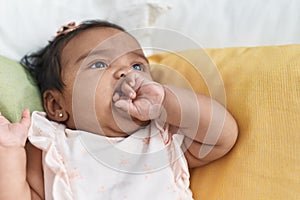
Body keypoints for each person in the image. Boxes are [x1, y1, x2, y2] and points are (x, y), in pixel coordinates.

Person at [0, 20, 238, 200]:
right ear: (56, 105)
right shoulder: (52, 148)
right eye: (99, 64)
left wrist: (166, 100)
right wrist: (9, 150)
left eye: (137, 65)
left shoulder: (160, 139)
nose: (125, 73)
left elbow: (222, 136)